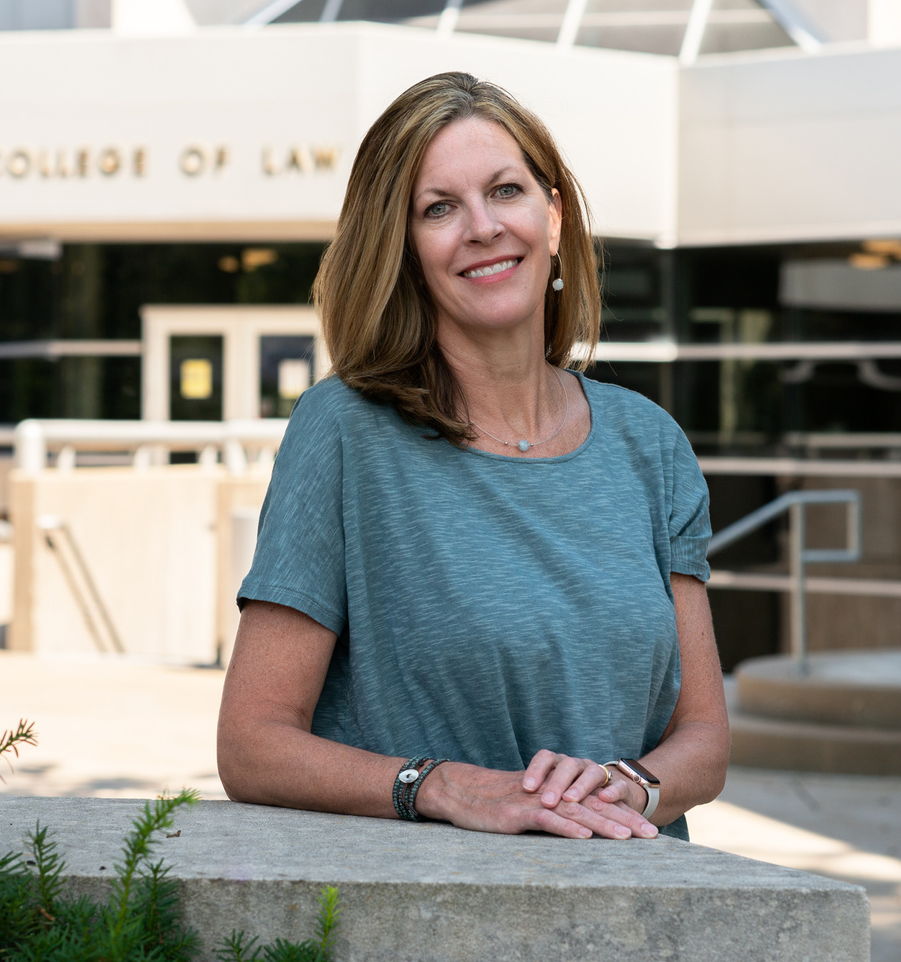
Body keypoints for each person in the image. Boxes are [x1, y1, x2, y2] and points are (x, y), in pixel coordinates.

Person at [217, 72, 729, 841]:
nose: (483, 227)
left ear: (553, 218)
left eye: (506, 191)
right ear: (403, 248)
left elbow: (705, 742)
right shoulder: (345, 432)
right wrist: (442, 786)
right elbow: (251, 746)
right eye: (440, 208)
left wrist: (629, 787)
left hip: (634, 919)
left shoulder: (649, 443)